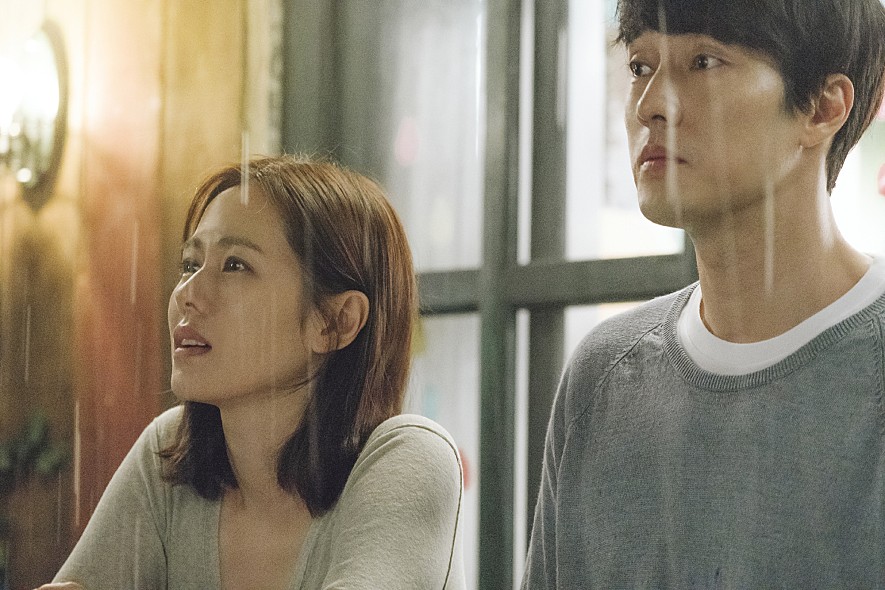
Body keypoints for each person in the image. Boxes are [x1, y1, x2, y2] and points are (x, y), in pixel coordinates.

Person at [522, 0, 885, 587]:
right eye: (640, 67)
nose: (651, 105)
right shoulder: (603, 379)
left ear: (823, 107)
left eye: (704, 62)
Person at [40, 156, 465, 589]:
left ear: (335, 322)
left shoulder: (411, 459)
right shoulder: (168, 452)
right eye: (190, 264)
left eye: (235, 265)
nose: (187, 293)